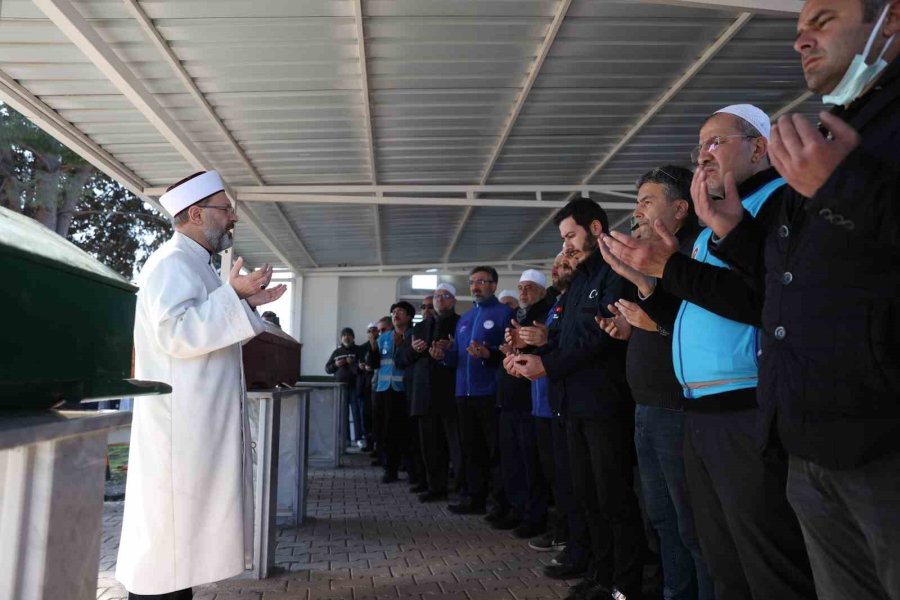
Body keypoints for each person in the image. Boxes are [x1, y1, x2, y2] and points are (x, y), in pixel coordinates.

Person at [694, 2, 900, 597]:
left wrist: (843, 186)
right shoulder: (832, 135)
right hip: (812, 439)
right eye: (799, 28)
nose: (801, 40)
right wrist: (733, 233)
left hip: (882, 441)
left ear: (889, 19)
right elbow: (790, 278)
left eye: (823, 20)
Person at [600, 106, 815, 600]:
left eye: (716, 142)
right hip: (702, 410)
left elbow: (763, 301)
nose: (703, 156)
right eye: (700, 147)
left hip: (747, 406)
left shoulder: (778, 203)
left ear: (759, 148)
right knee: (719, 554)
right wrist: (648, 282)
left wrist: (670, 268)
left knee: (765, 557)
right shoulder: (706, 228)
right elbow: (692, 313)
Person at [116, 171, 286, 599]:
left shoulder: (196, 265)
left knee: (180, 550)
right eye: (225, 209)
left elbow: (208, 329)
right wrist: (233, 297)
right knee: (167, 548)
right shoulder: (171, 263)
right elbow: (177, 334)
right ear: (195, 214)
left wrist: (242, 301)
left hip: (194, 426)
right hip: (179, 430)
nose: (233, 218)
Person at [512, 197, 644, 600]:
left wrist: (547, 366)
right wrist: (531, 355)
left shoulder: (616, 272)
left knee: (613, 497)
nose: (566, 245)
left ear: (596, 229)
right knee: (588, 497)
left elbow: (597, 339)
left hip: (604, 405)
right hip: (571, 405)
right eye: (564, 238)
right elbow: (563, 337)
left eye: (571, 235)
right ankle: (600, 576)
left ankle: (626, 585)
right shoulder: (577, 283)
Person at [597, 166, 711, 600]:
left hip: (678, 408)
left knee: (691, 523)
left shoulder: (694, 258)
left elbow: (698, 325)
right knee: (662, 520)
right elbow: (660, 323)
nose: (637, 211)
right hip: (647, 406)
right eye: (637, 202)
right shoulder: (650, 262)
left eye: (647, 201)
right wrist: (633, 328)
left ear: (680, 209)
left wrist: (656, 324)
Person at [519, 254, 590, 580]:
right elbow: (553, 347)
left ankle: (579, 546)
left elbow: (576, 347)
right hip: (549, 403)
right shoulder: (558, 304)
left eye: (565, 263)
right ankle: (569, 538)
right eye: (556, 266)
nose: (558, 269)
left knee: (574, 482)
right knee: (559, 479)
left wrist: (545, 343)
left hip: (571, 404)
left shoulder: (571, 302)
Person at [445, 266, 515, 515]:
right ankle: (474, 499)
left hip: (490, 392)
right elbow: (456, 356)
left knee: (495, 450)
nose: (475, 286)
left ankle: (500, 503)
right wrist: (443, 354)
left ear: (494, 285)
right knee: (470, 449)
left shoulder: (505, 313)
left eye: (482, 282)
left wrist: (489, 354)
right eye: (472, 282)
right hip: (464, 393)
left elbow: (511, 352)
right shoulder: (465, 318)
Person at [495, 269, 553, 538]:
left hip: (532, 400)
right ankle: (517, 510)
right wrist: (512, 351)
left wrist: (523, 348)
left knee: (532, 464)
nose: (523, 292)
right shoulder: (518, 316)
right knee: (513, 460)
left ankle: (535, 517)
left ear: (542, 290)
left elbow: (547, 349)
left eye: (529, 287)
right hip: (512, 398)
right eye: (520, 287)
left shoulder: (545, 314)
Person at [396, 283, 462, 502]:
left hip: (452, 395)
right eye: (436, 296)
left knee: (457, 447)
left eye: (445, 296)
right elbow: (401, 359)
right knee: (430, 446)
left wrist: (450, 350)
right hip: (424, 396)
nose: (439, 299)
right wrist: (414, 350)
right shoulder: (420, 328)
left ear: (453, 300)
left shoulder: (461, 324)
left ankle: (463, 490)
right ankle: (436, 487)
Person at [372, 301, 416, 483]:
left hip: (404, 391)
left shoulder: (413, 336)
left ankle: (412, 470)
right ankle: (390, 469)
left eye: (400, 311)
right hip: (383, 389)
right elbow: (374, 363)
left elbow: (408, 361)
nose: (396, 314)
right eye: (393, 312)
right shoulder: (384, 337)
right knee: (386, 432)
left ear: (409, 316)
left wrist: (401, 346)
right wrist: (372, 347)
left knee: (406, 432)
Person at [325, 327, 367, 447]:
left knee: (357, 413)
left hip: (355, 387)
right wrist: (336, 364)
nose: (346, 337)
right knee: (343, 414)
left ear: (353, 337)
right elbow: (327, 369)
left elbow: (364, 367)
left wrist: (353, 363)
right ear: (341, 338)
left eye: (348, 335)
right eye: (344, 335)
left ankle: (358, 438)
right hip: (341, 387)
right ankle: (345, 439)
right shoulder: (337, 352)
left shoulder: (359, 350)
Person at [367, 317, 393, 465]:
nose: (379, 334)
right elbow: (373, 363)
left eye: (383, 330)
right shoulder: (377, 343)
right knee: (378, 423)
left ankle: (389, 459)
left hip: (394, 388)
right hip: (379, 386)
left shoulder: (396, 340)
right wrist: (373, 347)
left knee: (389, 425)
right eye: (378, 331)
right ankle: (381, 455)